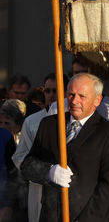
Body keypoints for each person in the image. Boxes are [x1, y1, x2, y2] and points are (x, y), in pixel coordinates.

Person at [20, 73, 109, 222]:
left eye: (82, 96)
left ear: (97, 100)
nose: (75, 101)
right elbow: (27, 165)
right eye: (71, 94)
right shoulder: (49, 124)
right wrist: (48, 172)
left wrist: (85, 219)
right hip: (50, 215)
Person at [12, 73, 66, 222]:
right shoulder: (32, 121)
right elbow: (19, 156)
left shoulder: (74, 120)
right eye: (47, 91)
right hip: (39, 186)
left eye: (56, 90)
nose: (51, 95)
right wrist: (42, 170)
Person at [0, 99, 27, 222]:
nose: (3, 127)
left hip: (21, 201)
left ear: (19, 124)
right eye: (1, 122)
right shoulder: (3, 139)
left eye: (7, 123)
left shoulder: (26, 140)